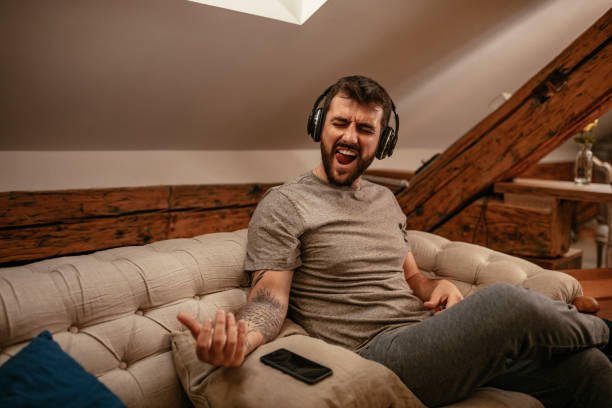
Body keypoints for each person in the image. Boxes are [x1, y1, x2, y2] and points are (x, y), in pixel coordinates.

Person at [178, 75, 612, 407]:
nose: (350, 136)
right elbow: (270, 299)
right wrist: (244, 335)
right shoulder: (285, 203)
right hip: (374, 353)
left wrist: (433, 286)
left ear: (382, 141)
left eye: (365, 129)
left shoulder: (385, 199)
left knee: (588, 368)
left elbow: (411, 275)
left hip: (428, 336)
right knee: (506, 304)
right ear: (318, 126)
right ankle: (603, 330)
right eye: (340, 123)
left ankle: (586, 337)